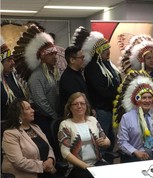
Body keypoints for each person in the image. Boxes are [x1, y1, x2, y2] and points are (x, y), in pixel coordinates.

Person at [1, 98, 66, 178]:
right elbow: (18, 162)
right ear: (19, 114)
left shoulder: (35, 127)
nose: (33, 110)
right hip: (20, 174)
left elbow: (49, 147)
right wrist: (43, 165)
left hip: (41, 170)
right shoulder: (10, 134)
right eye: (28, 108)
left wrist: (51, 159)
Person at [72, 26, 121, 159]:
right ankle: (101, 163)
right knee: (102, 141)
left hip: (111, 109)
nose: (108, 52)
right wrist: (118, 95)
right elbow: (101, 90)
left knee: (111, 139)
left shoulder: (108, 65)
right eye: (105, 49)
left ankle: (109, 164)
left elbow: (117, 83)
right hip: (101, 110)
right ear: (98, 51)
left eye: (109, 49)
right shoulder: (92, 68)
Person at [13, 25, 61, 156]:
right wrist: (55, 116)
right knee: (49, 148)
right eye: (50, 54)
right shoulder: (36, 77)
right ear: (42, 56)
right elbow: (41, 102)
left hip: (53, 118)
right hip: (44, 119)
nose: (54, 56)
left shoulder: (53, 73)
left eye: (55, 53)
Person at [58, 92, 110, 178]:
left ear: (87, 106)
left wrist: (105, 143)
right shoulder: (65, 124)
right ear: (70, 107)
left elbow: (107, 140)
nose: (79, 106)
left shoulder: (92, 120)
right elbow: (65, 153)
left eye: (82, 103)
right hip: (77, 167)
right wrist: (85, 166)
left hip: (97, 161)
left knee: (110, 177)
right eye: (75, 104)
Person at [114, 70, 153, 162]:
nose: (147, 101)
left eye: (150, 98)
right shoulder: (127, 117)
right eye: (144, 97)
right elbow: (122, 142)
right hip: (134, 156)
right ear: (137, 100)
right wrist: (135, 152)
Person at [119, 34, 153, 107]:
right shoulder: (137, 75)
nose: (152, 60)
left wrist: (152, 107)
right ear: (143, 60)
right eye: (148, 58)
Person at [1, 36, 27, 121]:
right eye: (9, 60)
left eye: (12, 59)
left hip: (17, 121)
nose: (13, 62)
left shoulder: (14, 77)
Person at [59, 45, 88, 115]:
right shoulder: (67, 78)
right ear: (72, 60)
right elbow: (76, 100)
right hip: (74, 116)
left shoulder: (78, 73)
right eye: (81, 58)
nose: (83, 60)